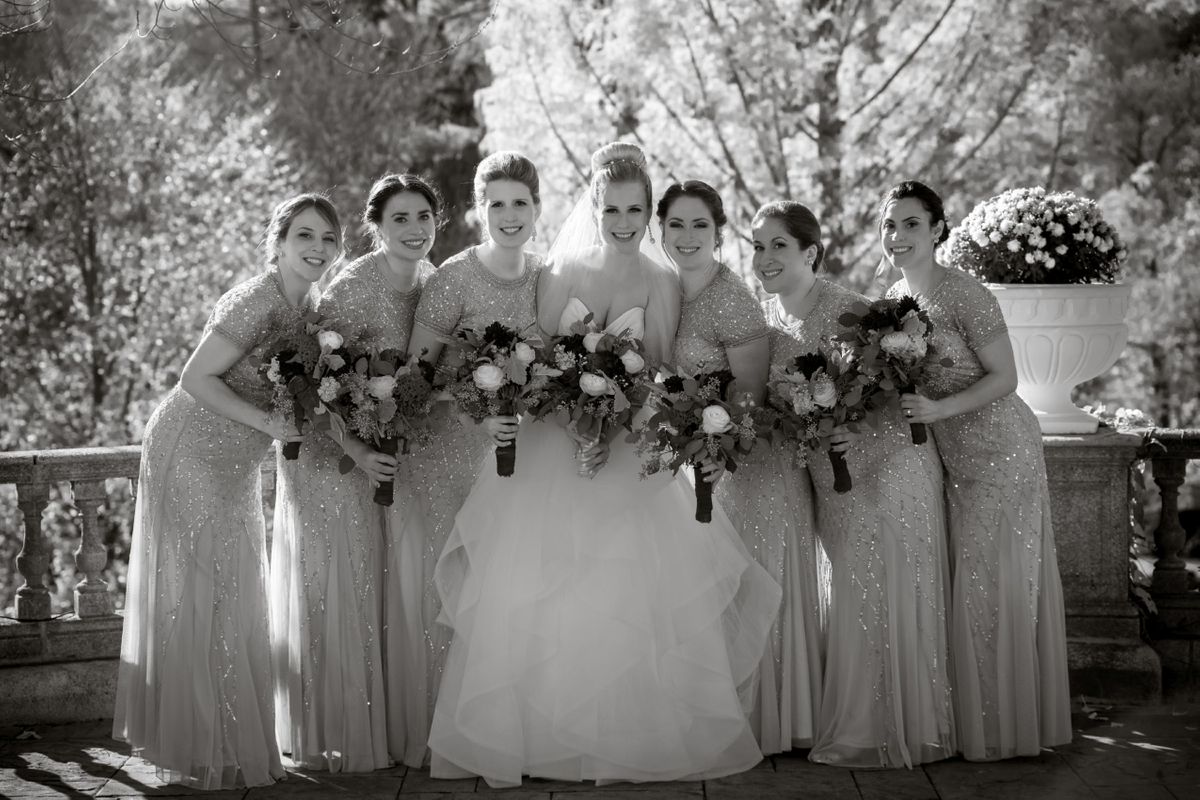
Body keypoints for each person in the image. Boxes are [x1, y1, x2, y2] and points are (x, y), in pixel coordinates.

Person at [426, 143, 781, 788]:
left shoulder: (661, 280)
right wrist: (575, 424)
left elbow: (661, 369)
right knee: (543, 588)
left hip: (628, 451)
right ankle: (534, 740)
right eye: (612, 208)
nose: (623, 222)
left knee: (627, 593)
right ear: (595, 205)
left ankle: (630, 738)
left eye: (636, 210)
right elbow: (540, 367)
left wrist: (616, 423)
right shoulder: (558, 273)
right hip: (552, 449)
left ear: (649, 212)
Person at [114, 193, 343, 789]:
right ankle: (199, 746)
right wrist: (271, 425)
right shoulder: (257, 299)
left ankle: (225, 738)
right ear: (280, 241)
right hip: (190, 447)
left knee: (234, 587)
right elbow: (195, 378)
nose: (317, 249)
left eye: (327, 239)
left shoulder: (312, 309)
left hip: (237, 462)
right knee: (200, 588)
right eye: (305, 236)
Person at [753, 200, 956, 767]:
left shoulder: (855, 310)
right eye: (757, 246)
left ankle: (889, 730)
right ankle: (868, 719)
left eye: (778, 246)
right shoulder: (768, 324)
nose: (764, 258)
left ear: (811, 252)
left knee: (876, 587)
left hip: (886, 467)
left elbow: (897, 389)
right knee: (849, 590)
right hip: (829, 478)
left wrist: (857, 435)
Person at [880, 180, 1071, 761]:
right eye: (889, 225)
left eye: (911, 224)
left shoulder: (966, 294)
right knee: (963, 582)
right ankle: (968, 721)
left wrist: (938, 410)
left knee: (994, 583)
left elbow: (1006, 379)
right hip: (948, 456)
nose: (897, 236)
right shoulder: (893, 297)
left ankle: (1004, 730)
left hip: (999, 449)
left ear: (938, 229)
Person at [269, 175, 440, 771]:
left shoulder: (432, 282)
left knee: (382, 587)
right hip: (331, 456)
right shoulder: (352, 288)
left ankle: (385, 725)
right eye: (400, 219)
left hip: (385, 458)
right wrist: (359, 451)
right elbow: (317, 382)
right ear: (376, 226)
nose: (414, 229)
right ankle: (336, 732)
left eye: (424, 217)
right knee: (342, 583)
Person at [658, 181, 823, 755]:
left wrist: (708, 451)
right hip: (703, 465)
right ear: (660, 231)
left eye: (699, 225)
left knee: (754, 584)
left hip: (754, 470)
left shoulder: (732, 300)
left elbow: (749, 404)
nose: (686, 237)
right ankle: (723, 715)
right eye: (676, 225)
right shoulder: (665, 291)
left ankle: (768, 722)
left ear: (718, 233)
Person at [395, 152, 545, 766]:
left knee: (516, 591)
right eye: (496, 204)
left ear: (538, 208)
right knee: (452, 586)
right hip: (450, 456)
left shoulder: (548, 275)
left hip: (526, 460)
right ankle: (445, 739)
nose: (509, 215)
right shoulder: (451, 280)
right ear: (478, 211)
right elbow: (412, 379)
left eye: (520, 203)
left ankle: (515, 732)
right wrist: (469, 402)